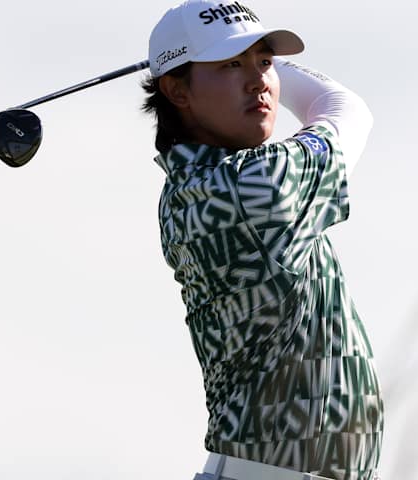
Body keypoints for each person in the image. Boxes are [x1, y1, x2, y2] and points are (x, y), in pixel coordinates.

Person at [143, 1, 383, 479]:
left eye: (264, 62)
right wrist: (277, 70)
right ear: (176, 90)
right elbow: (344, 107)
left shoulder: (194, 187)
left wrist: (231, 63)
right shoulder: (254, 188)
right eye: (231, 65)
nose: (258, 81)